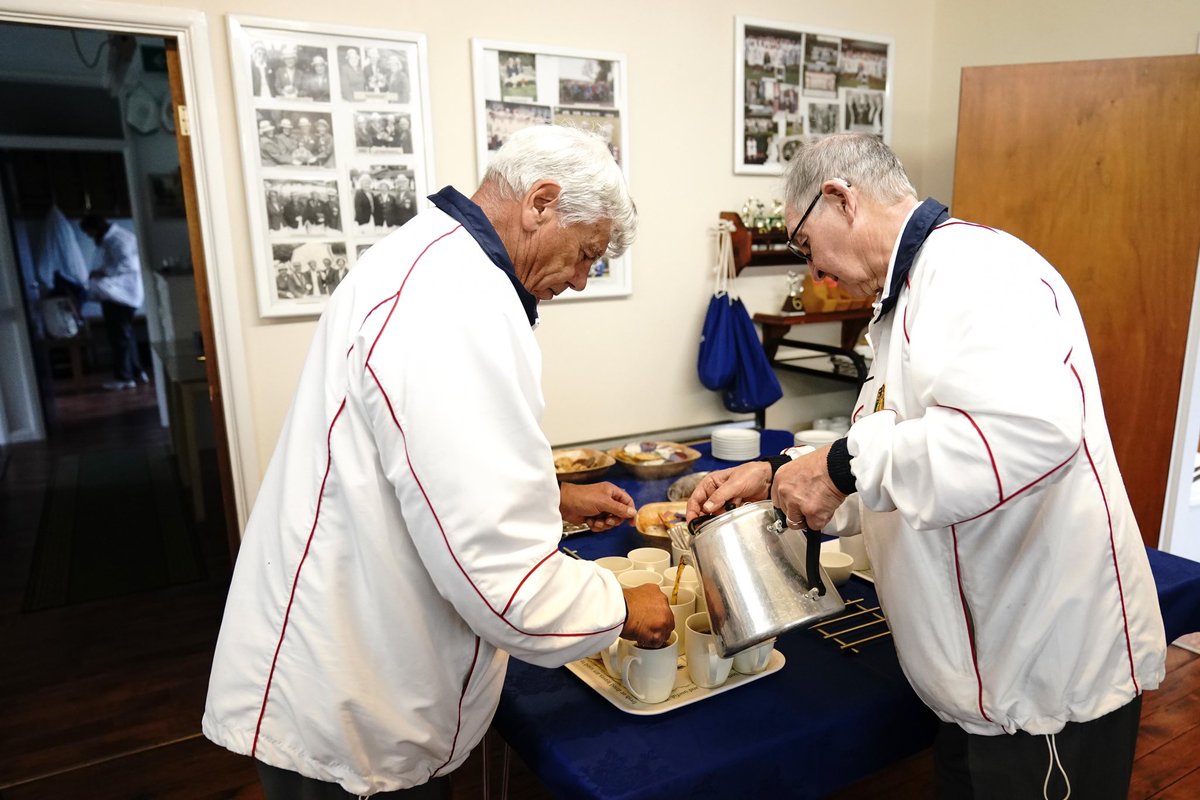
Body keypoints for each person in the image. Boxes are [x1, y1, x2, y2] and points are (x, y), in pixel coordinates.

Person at [687, 132, 1166, 800]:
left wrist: (841, 467)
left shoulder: (982, 273)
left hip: (1042, 683)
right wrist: (782, 476)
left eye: (803, 244)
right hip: (973, 687)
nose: (814, 270)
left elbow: (1026, 434)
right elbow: (895, 453)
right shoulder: (903, 302)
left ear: (840, 201)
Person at [203, 124, 671, 798]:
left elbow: (417, 462)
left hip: (352, 654)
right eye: (585, 253)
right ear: (541, 202)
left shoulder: (436, 260)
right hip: (353, 701)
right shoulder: (453, 300)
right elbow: (503, 587)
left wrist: (551, 495)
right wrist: (623, 604)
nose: (579, 278)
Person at [80, 214, 147, 390]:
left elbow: (127, 265)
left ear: (94, 229)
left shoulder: (118, 240)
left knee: (119, 338)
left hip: (120, 296)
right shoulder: (117, 238)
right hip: (123, 295)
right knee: (126, 336)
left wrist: (103, 272)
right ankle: (137, 373)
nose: (89, 236)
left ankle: (125, 378)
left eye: (88, 233)